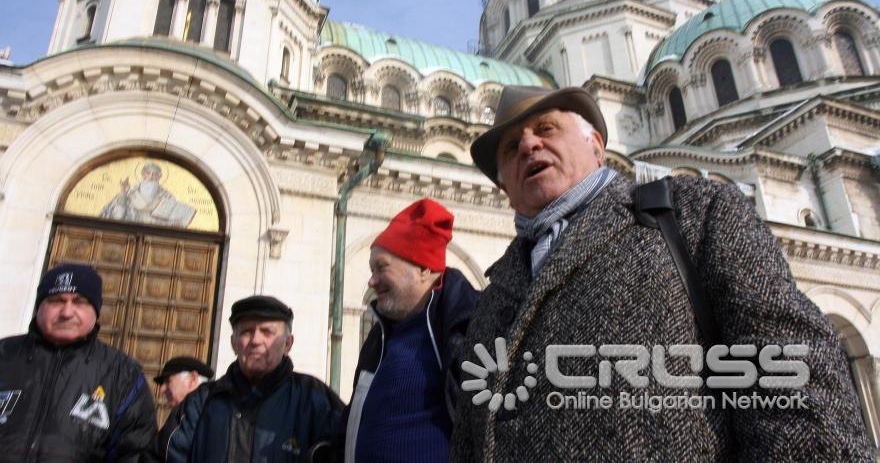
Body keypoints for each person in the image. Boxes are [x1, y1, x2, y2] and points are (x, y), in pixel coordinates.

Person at [448, 86, 873, 461]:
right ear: (504, 187)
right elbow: (470, 437)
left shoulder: (691, 213)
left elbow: (793, 377)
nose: (527, 146)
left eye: (546, 129)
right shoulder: (497, 291)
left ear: (596, 145)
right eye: (510, 148)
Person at [341, 198, 480, 463]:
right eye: (372, 270)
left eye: (381, 267)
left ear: (424, 269)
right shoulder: (379, 336)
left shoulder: (468, 325)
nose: (372, 280)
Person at [0, 264, 156, 462]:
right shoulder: (4, 355)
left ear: (96, 311)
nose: (66, 312)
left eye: (79, 302)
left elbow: (135, 453)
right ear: (38, 307)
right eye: (56, 301)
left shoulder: (123, 375)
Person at [160, 295, 343, 463]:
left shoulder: (314, 398)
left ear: (287, 343)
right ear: (233, 343)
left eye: (267, 332)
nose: (255, 340)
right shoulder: (201, 402)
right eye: (247, 331)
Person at [100, 161, 195, 227]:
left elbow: (170, 219)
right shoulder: (129, 192)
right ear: (142, 174)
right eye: (148, 173)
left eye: (155, 174)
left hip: (156, 234)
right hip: (131, 229)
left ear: (159, 176)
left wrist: (176, 222)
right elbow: (117, 217)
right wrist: (124, 194)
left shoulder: (167, 196)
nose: (151, 177)